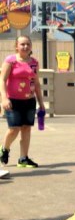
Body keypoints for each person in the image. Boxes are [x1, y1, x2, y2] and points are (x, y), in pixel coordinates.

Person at [0, 35, 45, 168]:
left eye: (28, 44)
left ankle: (23, 158)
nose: (25, 46)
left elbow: (36, 83)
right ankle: (5, 149)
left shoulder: (34, 62)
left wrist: (41, 103)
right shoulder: (11, 60)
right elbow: (2, 80)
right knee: (14, 129)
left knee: (26, 129)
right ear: (16, 46)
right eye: (22, 44)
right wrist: (4, 98)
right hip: (13, 101)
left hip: (29, 100)